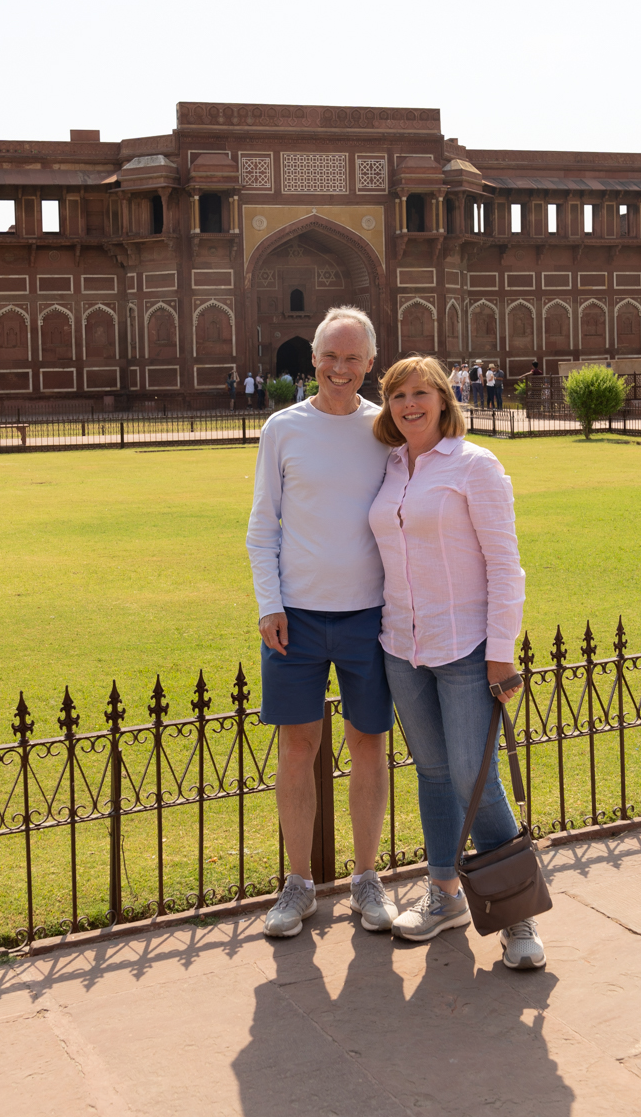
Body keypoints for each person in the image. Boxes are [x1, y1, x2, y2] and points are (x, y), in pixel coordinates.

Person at [368, 354, 543, 970]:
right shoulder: (390, 468)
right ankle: (445, 896)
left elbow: (505, 565)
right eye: (397, 396)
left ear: (444, 398)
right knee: (436, 774)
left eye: (420, 393)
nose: (409, 405)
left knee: (476, 776)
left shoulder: (475, 465)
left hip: (466, 647)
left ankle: (515, 912)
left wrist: (502, 655)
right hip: (402, 645)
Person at [247, 306, 400, 938]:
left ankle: (367, 879)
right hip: (299, 617)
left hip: (370, 614)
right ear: (313, 359)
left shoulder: (385, 429)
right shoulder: (284, 429)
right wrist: (269, 603)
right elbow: (263, 527)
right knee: (298, 746)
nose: (341, 369)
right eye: (330, 357)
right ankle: (299, 884)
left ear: (371, 362)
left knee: (370, 744)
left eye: (353, 358)